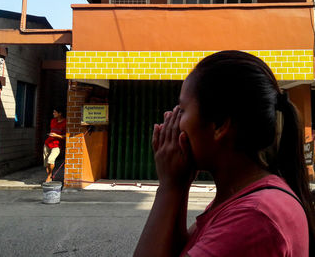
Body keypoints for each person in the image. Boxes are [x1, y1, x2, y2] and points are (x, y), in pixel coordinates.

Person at [134, 51, 315, 257]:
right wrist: (178, 185)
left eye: (182, 110)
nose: (170, 117)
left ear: (220, 125)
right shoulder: (241, 197)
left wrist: (169, 187)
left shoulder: (255, 216)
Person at [43, 108, 66, 182]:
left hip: (57, 145)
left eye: (55, 112)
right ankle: (49, 175)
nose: (53, 114)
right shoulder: (53, 121)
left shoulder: (65, 122)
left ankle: (49, 176)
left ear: (60, 113)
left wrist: (57, 135)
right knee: (46, 162)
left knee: (51, 160)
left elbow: (66, 136)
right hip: (48, 143)